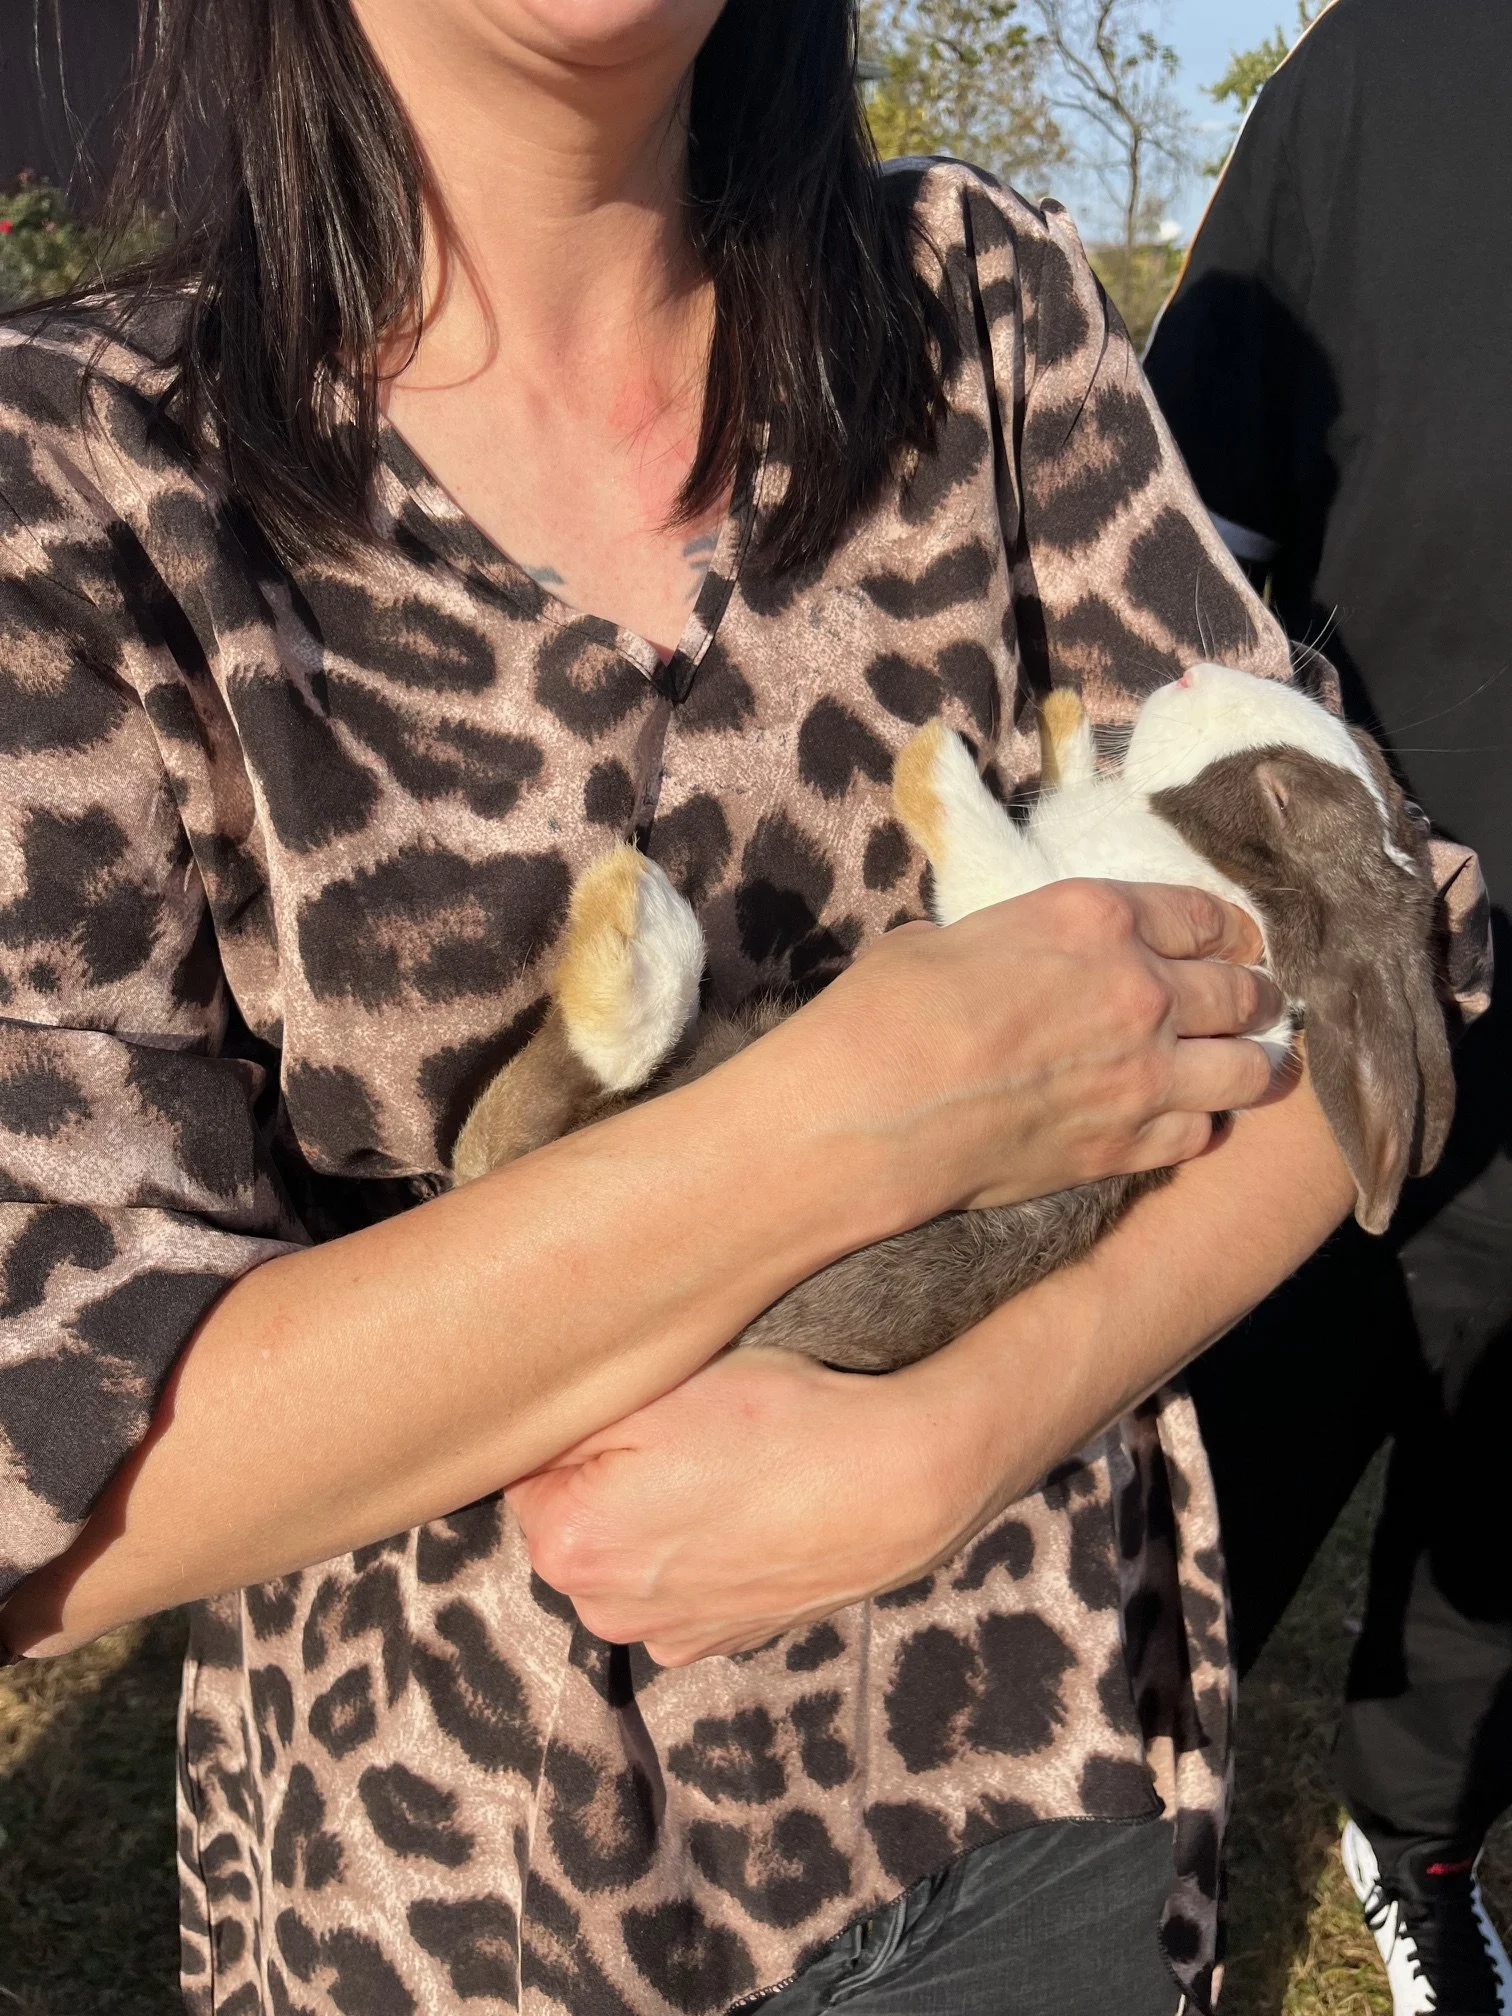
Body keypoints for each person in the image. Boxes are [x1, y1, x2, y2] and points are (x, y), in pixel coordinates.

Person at [0, 4, 1482, 2013]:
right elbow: (53, 1451)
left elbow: (1386, 948)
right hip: (456, 1902)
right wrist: (836, 1125)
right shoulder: (79, 472)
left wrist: (960, 1435)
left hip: (1034, 1806)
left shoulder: (980, 302)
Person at [1145, 1, 1512, 2009]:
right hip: (1333, 1002)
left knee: (1500, 1530)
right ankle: (1098, 1874)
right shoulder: (1388, 73)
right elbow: (1185, 554)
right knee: (1196, 1490)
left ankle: (1422, 1839)